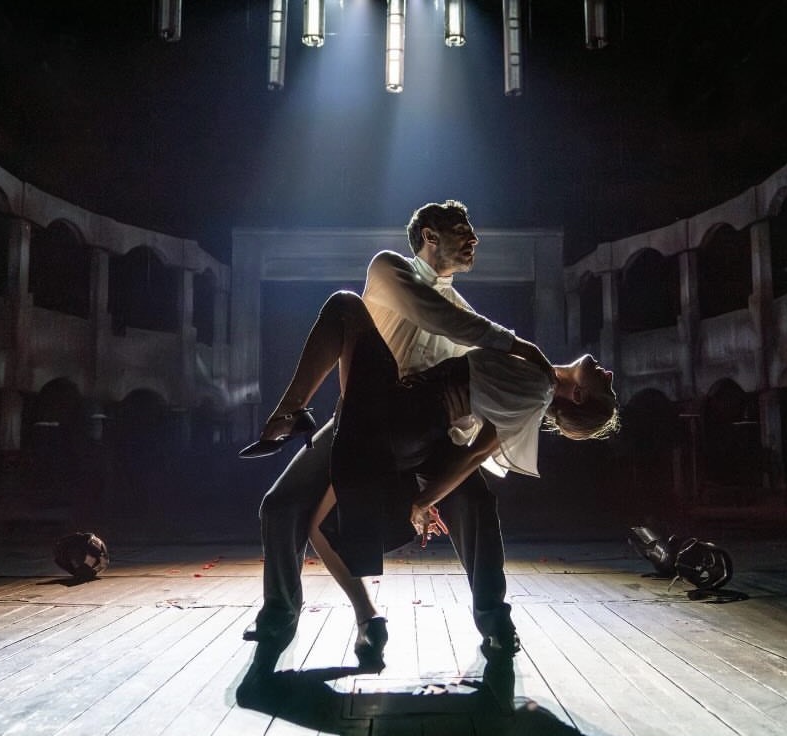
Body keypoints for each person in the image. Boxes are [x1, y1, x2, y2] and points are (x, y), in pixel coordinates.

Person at [241, 200, 603, 666]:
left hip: (425, 428)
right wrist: (518, 344)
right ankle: (304, 614)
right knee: (279, 506)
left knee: (476, 502)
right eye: (462, 229)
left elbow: (481, 380)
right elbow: (443, 319)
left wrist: (431, 492)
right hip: (368, 416)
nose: (474, 238)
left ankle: (495, 621)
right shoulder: (389, 270)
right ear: (430, 236)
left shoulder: (462, 309)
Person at [243, 289, 619, 584]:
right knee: (347, 325)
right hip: (406, 409)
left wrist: (423, 501)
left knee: (345, 307)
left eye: (606, 387)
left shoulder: (537, 390)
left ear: (579, 396)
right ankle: (296, 417)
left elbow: (475, 454)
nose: (610, 375)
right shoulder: (535, 380)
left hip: (408, 416)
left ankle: (289, 415)